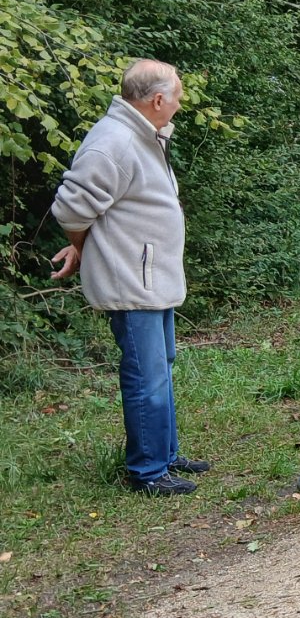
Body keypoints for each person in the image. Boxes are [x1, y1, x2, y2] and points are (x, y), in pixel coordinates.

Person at [50, 59, 210, 495]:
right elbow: (70, 209)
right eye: (177, 97)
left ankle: (166, 455)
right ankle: (148, 472)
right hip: (132, 281)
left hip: (151, 278)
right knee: (146, 376)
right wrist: (82, 245)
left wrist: (81, 244)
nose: (179, 105)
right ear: (157, 100)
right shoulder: (115, 142)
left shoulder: (142, 135)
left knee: (161, 368)